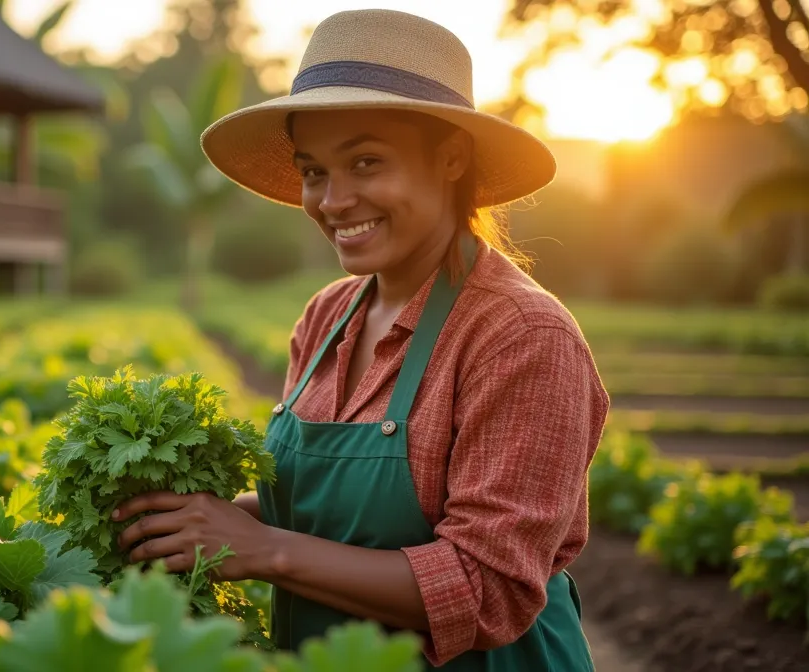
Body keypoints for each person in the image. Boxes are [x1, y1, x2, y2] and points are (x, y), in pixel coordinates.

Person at [110, 8, 610, 671]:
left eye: (366, 162)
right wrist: (197, 521)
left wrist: (262, 550)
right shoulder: (328, 317)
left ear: (452, 158)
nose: (333, 199)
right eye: (314, 170)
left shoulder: (520, 336)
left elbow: (485, 589)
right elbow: (323, 508)